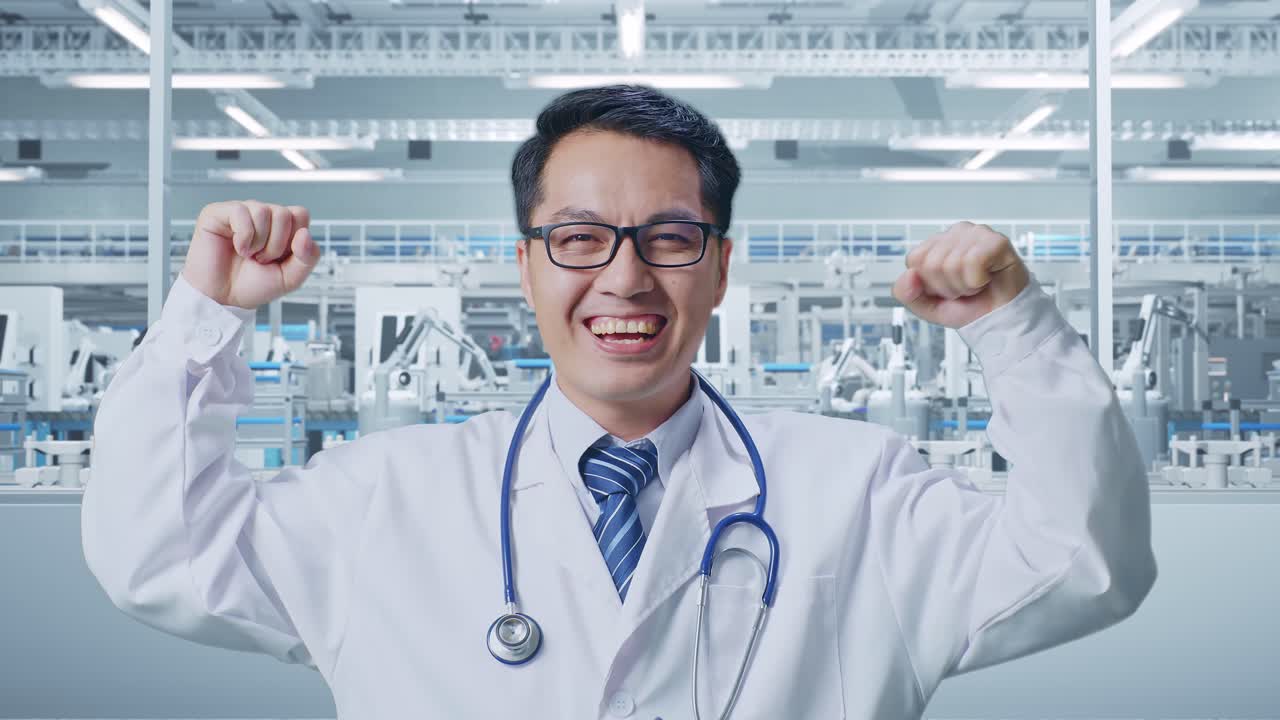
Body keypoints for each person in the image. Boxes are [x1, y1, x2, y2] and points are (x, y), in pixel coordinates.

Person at [83, 85, 1156, 719]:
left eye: (670, 239)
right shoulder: (383, 498)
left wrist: (1011, 329)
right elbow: (157, 552)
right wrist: (203, 317)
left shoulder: (857, 491)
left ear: (720, 268)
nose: (625, 280)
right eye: (580, 238)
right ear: (526, 264)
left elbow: (1080, 564)